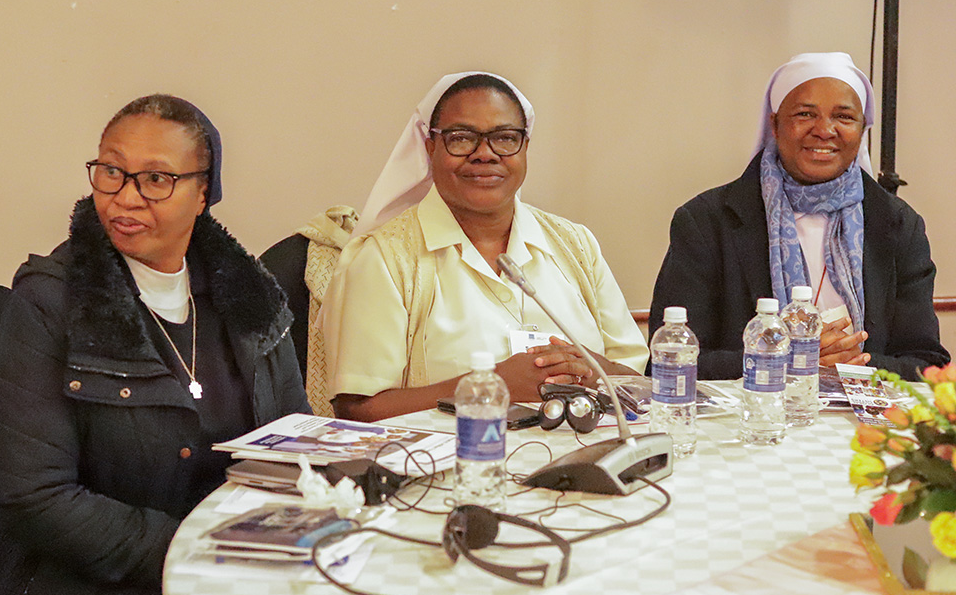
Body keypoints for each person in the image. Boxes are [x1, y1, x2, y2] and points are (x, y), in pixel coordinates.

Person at [0, 94, 311, 595]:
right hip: (88, 590)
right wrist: (199, 551)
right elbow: (36, 498)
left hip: (236, 564)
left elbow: (295, 441)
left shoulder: (251, 300)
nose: (125, 199)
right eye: (111, 171)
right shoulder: (51, 304)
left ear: (203, 194)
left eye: (156, 180)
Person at [322, 72, 648, 422]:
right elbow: (356, 411)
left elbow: (640, 388)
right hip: (450, 469)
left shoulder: (576, 245)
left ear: (524, 147)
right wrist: (489, 385)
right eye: (462, 139)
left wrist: (594, 370)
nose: (485, 154)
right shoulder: (384, 259)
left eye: (505, 138)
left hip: (586, 464)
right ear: (430, 147)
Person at [649, 52, 949, 380]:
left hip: (862, 426)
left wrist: (852, 363)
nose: (824, 130)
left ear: (862, 131)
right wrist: (788, 358)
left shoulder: (897, 225)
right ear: (775, 124)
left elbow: (927, 364)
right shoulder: (708, 221)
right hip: (750, 421)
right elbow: (671, 361)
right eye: (805, 114)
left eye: (844, 117)